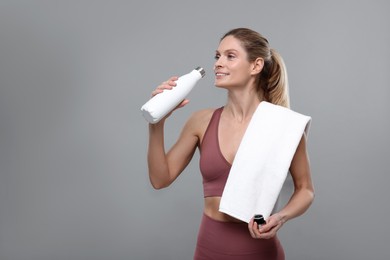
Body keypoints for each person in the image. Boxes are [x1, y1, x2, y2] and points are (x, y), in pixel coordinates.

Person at [146, 28, 315, 259]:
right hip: (208, 248)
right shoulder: (201, 121)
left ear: (255, 66)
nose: (218, 63)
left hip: (259, 251)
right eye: (217, 56)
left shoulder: (283, 126)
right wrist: (157, 122)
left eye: (230, 56)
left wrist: (280, 217)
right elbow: (160, 179)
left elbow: (305, 190)